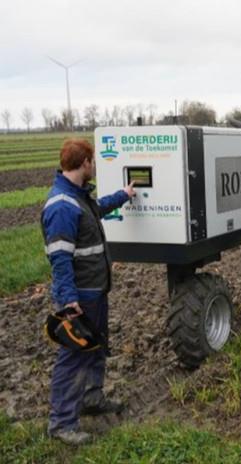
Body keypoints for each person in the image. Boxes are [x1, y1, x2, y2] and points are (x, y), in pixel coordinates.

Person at [41, 139, 136, 445]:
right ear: (84, 163)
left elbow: (99, 208)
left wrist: (125, 194)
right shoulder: (61, 206)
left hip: (95, 291)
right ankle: (61, 423)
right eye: (92, 161)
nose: (94, 166)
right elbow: (60, 258)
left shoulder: (78, 198)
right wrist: (69, 301)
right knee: (73, 358)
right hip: (80, 297)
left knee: (95, 350)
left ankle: (92, 399)